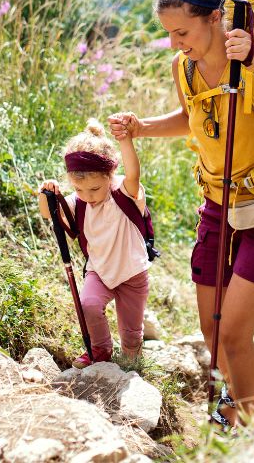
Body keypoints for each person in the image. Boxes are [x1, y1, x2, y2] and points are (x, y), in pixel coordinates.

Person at [108, 0, 254, 429]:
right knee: (213, 330)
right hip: (219, 206)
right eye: (169, 34)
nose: (176, 43)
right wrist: (141, 127)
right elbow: (192, 118)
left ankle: (250, 429)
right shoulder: (185, 66)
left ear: (216, 17)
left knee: (236, 334)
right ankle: (243, 405)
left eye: (182, 32)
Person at [39, 119, 151, 368]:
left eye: (94, 188)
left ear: (110, 176)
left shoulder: (124, 193)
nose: (87, 196)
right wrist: (45, 193)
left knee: (131, 330)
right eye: (79, 189)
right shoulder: (78, 203)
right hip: (99, 270)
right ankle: (100, 350)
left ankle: (132, 358)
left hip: (132, 273)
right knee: (88, 304)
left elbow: (133, 173)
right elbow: (49, 213)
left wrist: (125, 140)